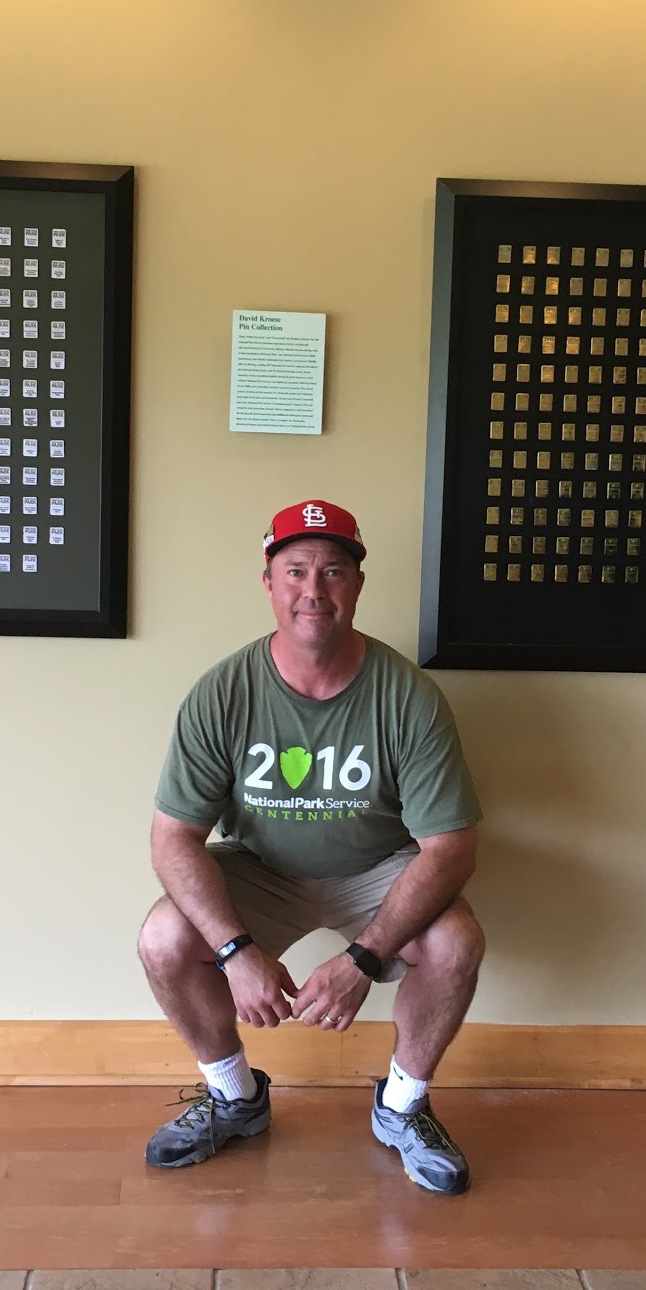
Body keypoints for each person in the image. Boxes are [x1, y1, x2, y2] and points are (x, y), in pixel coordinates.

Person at [137, 499, 486, 1194]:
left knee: (456, 941)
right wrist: (234, 952)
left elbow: (450, 847)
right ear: (269, 583)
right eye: (295, 570)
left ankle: (402, 1108)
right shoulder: (223, 692)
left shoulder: (407, 695)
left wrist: (364, 958)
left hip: (376, 869)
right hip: (262, 868)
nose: (313, 589)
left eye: (333, 571)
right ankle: (234, 1098)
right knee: (163, 938)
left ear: (357, 585)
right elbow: (173, 839)